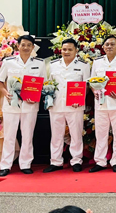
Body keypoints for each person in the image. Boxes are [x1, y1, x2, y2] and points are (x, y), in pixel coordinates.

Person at [0, 35, 46, 177]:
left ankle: (25, 164)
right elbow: (0, 81)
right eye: (23, 44)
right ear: (18, 46)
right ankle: (5, 165)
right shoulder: (9, 62)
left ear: (33, 47)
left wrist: (36, 95)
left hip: (30, 105)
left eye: (29, 45)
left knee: (28, 135)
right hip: (12, 104)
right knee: (9, 136)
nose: (26, 47)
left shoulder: (40, 63)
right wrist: (5, 93)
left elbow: (43, 83)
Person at [89, 35, 116, 173]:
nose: (109, 46)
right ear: (103, 47)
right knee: (100, 133)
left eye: (112, 44)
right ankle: (100, 161)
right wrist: (94, 91)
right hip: (101, 103)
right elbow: (92, 81)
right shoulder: (97, 62)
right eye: (107, 44)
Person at [44, 38, 90, 173]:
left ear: (76, 50)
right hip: (56, 105)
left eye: (70, 49)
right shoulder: (53, 65)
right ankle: (56, 161)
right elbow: (48, 84)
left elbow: (86, 85)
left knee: (76, 134)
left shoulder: (84, 66)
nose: (66, 52)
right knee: (56, 135)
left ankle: (76, 160)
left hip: (75, 105)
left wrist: (80, 98)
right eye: (64, 49)